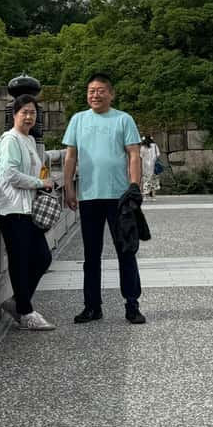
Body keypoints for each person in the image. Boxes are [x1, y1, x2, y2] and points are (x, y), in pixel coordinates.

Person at [62, 73, 146, 325]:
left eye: (100, 90)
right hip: (89, 196)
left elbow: (134, 154)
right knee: (91, 254)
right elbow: (70, 156)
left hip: (119, 197)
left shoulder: (123, 119)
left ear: (111, 93)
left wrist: (134, 186)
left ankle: (132, 304)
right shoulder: (78, 119)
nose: (95, 95)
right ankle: (92, 306)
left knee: (126, 251)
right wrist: (68, 186)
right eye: (91, 91)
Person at [0, 94, 57, 331]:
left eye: (32, 112)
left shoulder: (28, 140)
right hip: (12, 211)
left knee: (42, 258)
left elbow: (36, 171)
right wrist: (41, 184)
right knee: (21, 262)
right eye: (24, 112)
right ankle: (26, 312)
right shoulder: (11, 140)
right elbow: (10, 174)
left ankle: (18, 303)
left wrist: (43, 181)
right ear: (14, 115)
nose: (29, 117)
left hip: (27, 209)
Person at [140, 135, 161, 199]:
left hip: (145, 165)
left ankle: (145, 196)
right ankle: (153, 196)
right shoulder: (154, 146)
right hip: (153, 165)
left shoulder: (143, 147)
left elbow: (140, 156)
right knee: (153, 180)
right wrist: (153, 158)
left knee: (145, 180)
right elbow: (158, 154)